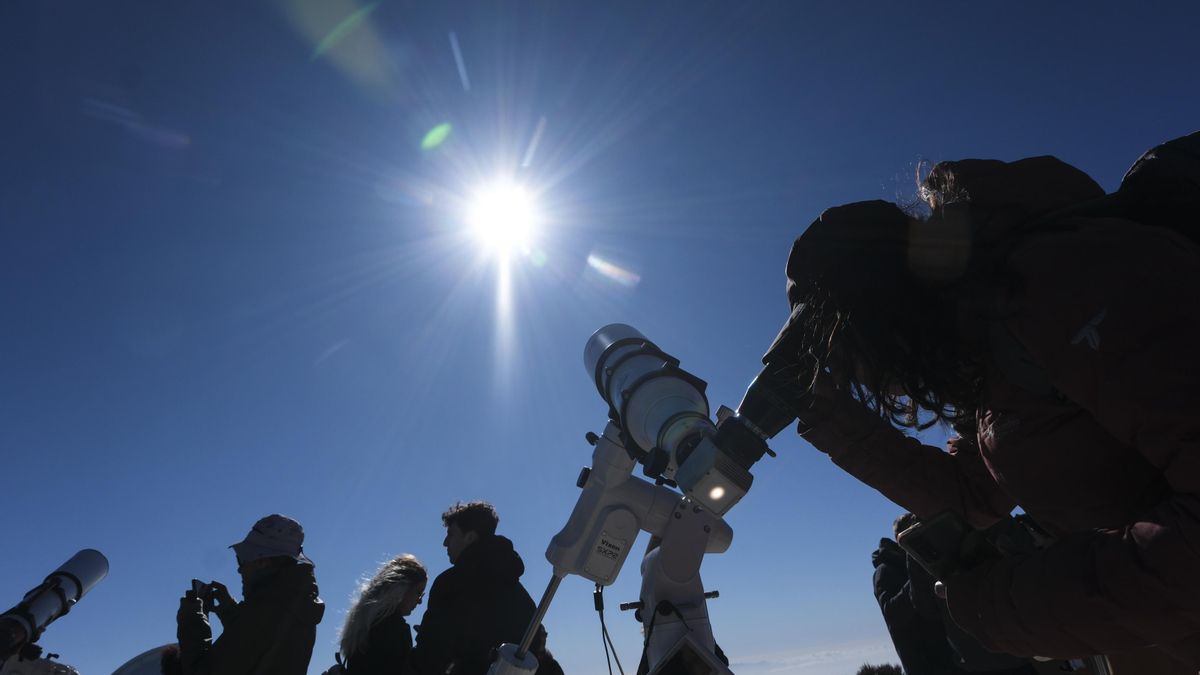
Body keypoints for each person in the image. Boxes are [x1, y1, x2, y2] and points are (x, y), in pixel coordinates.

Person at [756, 136, 1200, 669]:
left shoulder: (1067, 285)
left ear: (880, 313)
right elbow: (973, 496)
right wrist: (827, 415)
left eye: (847, 353)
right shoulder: (991, 363)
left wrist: (1009, 607)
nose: (856, 374)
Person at [177, 514, 325, 675]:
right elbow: (255, 646)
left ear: (262, 561)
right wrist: (229, 610)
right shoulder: (295, 604)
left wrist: (192, 617)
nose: (240, 569)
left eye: (242, 560)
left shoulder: (265, 611)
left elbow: (202, 671)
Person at [410, 501, 537, 675]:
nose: (445, 543)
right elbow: (535, 648)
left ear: (470, 537)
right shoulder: (521, 596)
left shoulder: (450, 584)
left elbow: (429, 657)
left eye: (451, 534)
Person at [336, 554, 427, 675]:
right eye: (419, 592)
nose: (420, 601)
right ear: (402, 587)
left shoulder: (364, 623)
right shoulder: (395, 629)